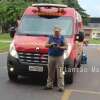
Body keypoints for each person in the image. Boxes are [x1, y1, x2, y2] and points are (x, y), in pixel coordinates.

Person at [45, 27, 67, 92]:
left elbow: (66, 47)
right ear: (53, 31)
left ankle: (61, 87)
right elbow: (45, 45)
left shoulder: (62, 38)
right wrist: (50, 45)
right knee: (50, 72)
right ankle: (49, 85)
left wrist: (60, 47)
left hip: (59, 57)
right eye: (55, 31)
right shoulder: (51, 37)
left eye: (58, 31)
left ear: (60, 31)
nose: (56, 33)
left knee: (60, 72)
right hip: (51, 56)